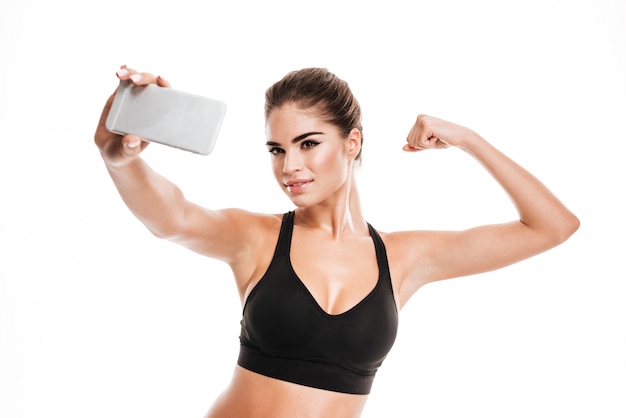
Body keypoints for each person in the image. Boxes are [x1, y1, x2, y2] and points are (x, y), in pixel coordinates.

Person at [94, 65, 579, 418]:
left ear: (353, 142)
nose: (290, 167)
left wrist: (468, 138)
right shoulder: (257, 238)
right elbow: (172, 217)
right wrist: (121, 160)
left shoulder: (404, 258)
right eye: (277, 150)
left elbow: (552, 226)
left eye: (308, 144)